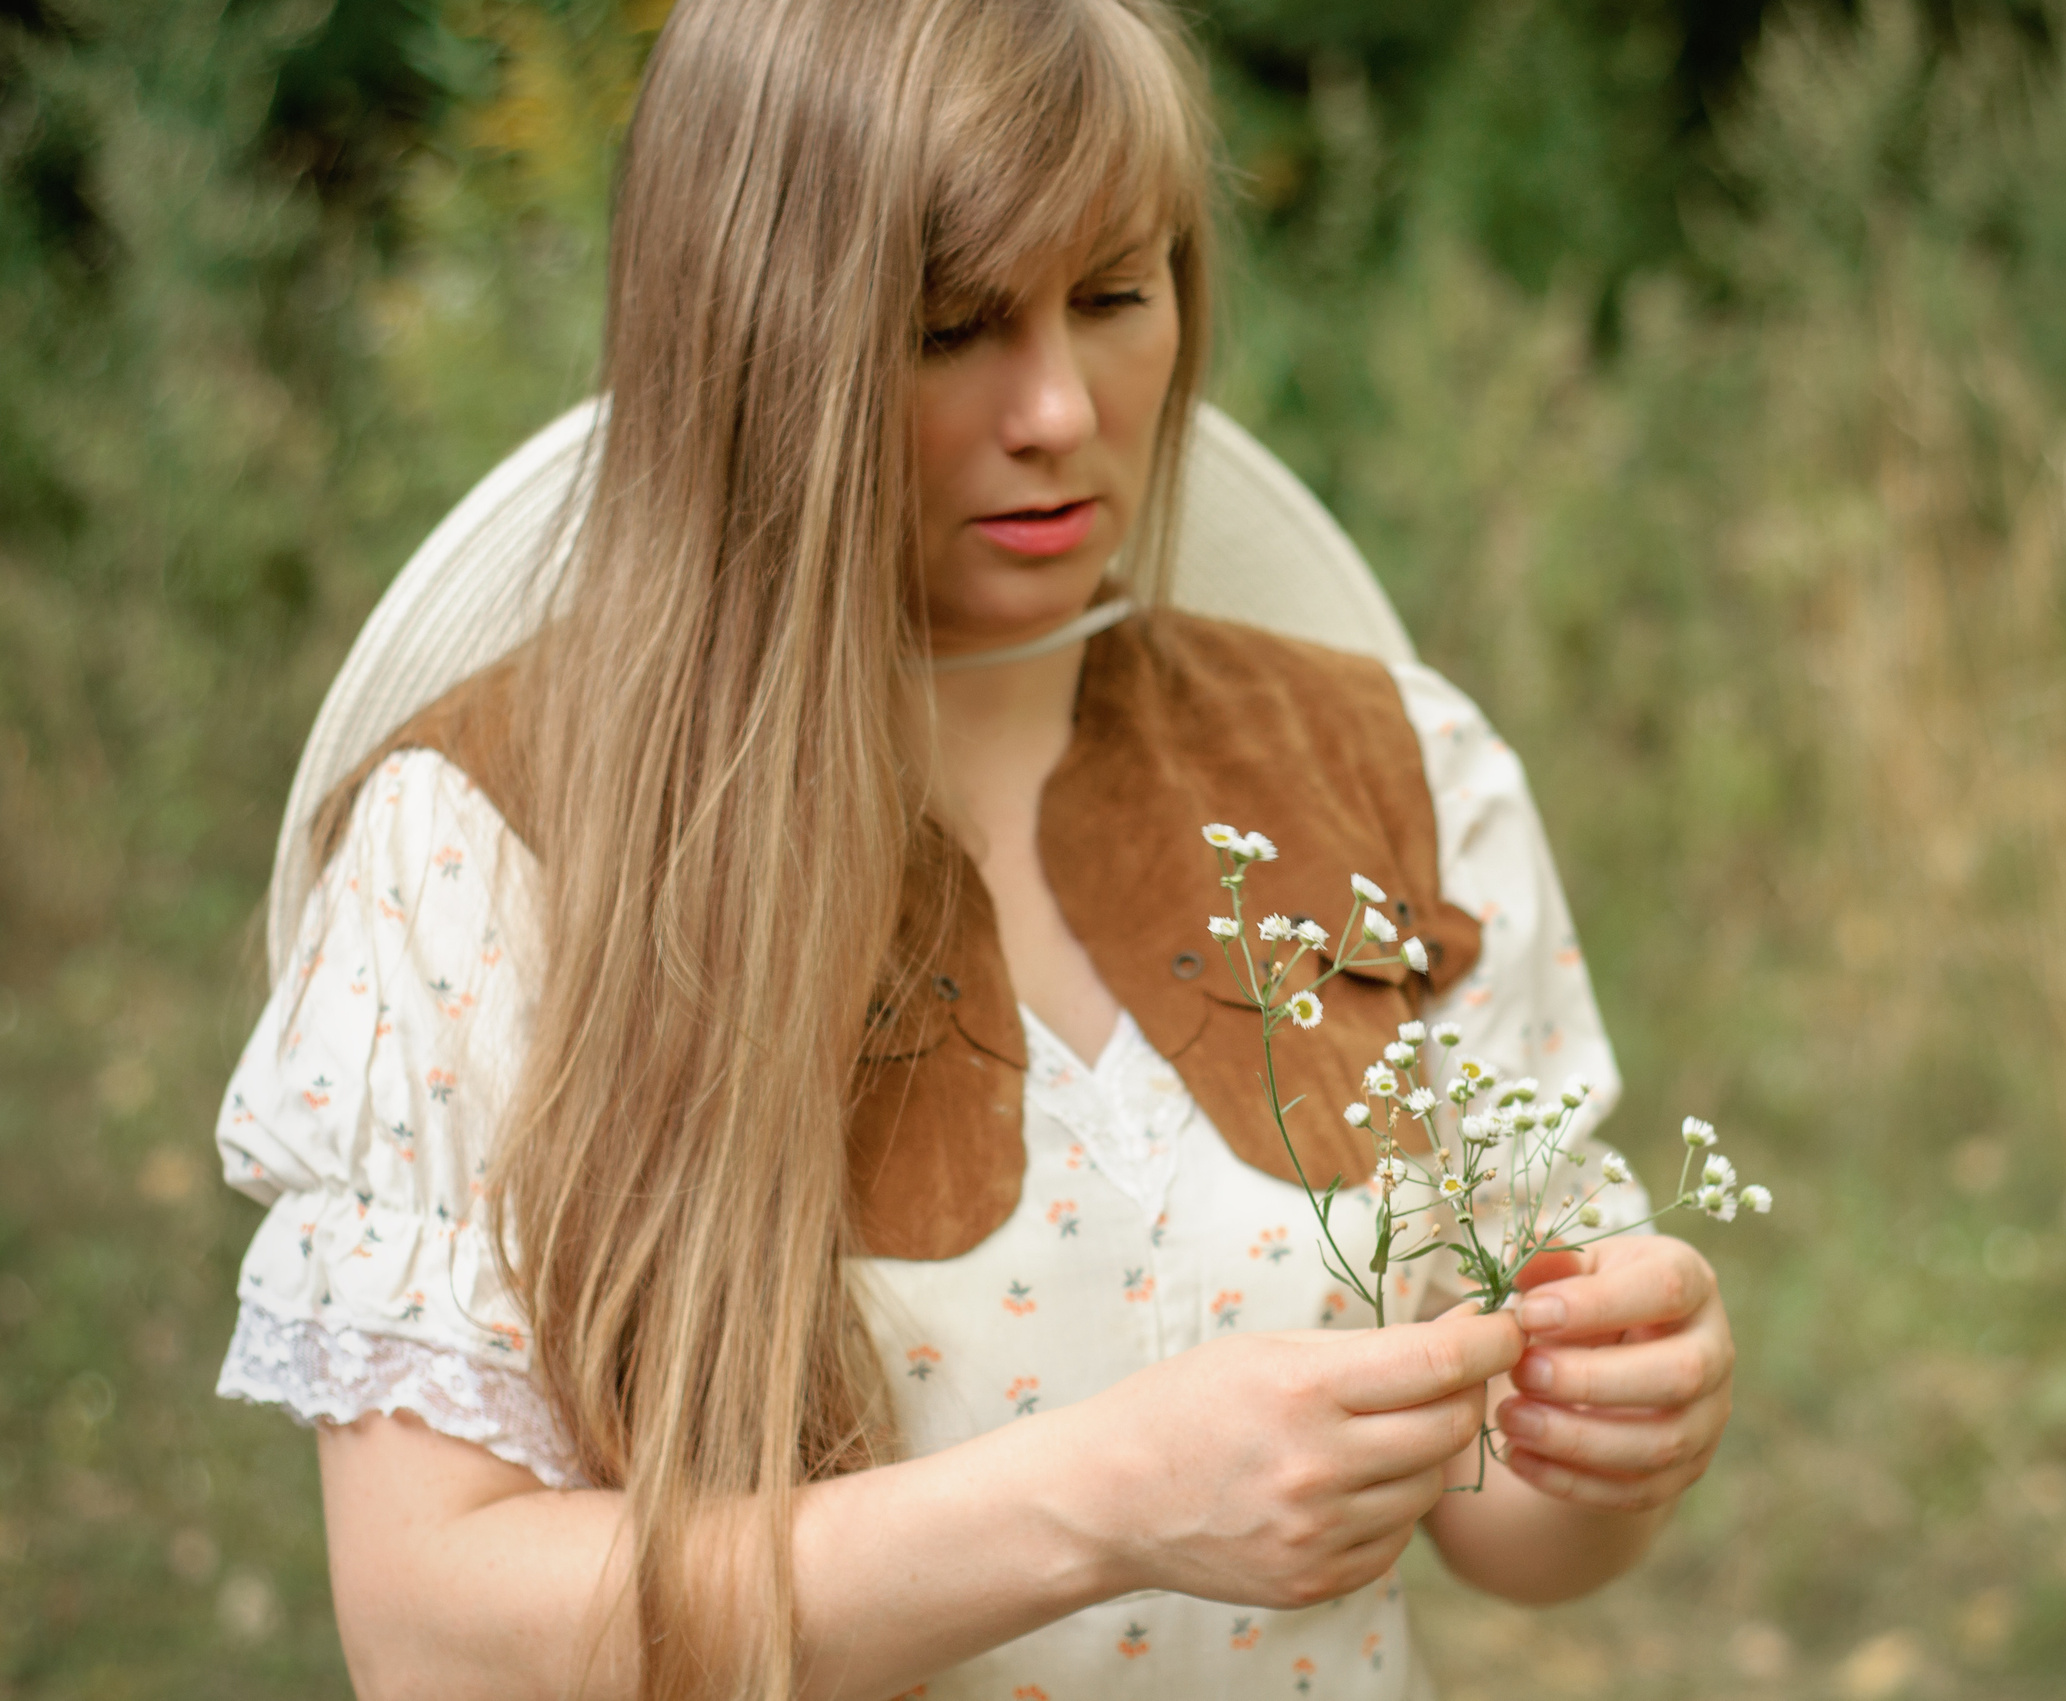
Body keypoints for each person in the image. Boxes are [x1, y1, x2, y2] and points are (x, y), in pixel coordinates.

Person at [210, 1, 1736, 1696]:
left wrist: (1611, 1429)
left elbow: (1511, 1537)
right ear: (754, 340)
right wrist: (1098, 1503)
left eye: (1115, 295)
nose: (1060, 408)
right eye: (949, 327)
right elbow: (435, 1640)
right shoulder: (494, 843)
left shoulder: (1392, 767)